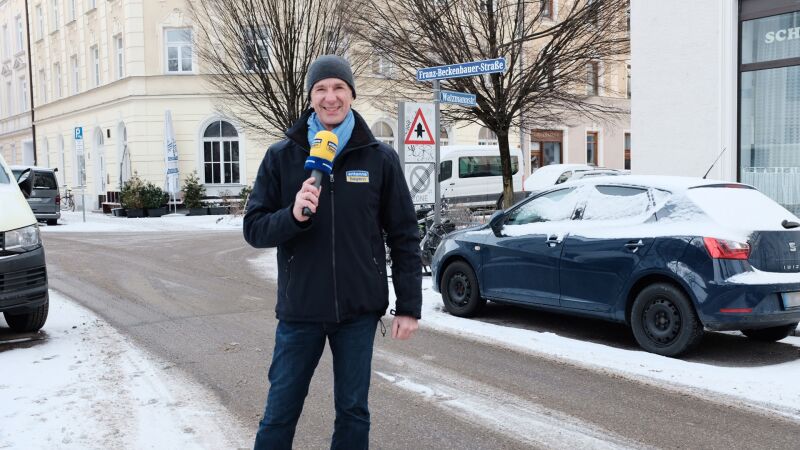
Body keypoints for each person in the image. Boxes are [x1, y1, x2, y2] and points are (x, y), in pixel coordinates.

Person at [243, 54, 422, 450]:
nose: (330, 97)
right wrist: (292, 215)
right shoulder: (281, 156)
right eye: (321, 89)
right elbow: (254, 228)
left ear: (352, 95)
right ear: (310, 98)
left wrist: (408, 305)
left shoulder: (379, 157)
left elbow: (404, 235)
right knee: (280, 412)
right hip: (301, 310)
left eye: (339, 87)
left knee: (354, 412)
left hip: (358, 312)